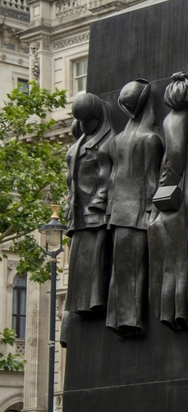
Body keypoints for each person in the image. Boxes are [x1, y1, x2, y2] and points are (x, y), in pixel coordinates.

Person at [106, 79, 163, 337]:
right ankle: (130, 319)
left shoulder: (116, 140)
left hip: (119, 215)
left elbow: (113, 181)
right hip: (139, 214)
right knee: (136, 270)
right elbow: (152, 180)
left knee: (122, 271)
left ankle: (118, 319)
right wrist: (153, 212)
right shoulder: (151, 139)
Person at [148, 72, 188, 330]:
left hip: (173, 192)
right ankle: (180, 310)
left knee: (174, 262)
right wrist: (171, 184)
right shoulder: (182, 118)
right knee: (183, 259)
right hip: (179, 195)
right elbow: (177, 155)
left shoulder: (171, 118)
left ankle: (174, 310)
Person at [64, 92, 113, 315]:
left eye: (87, 120)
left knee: (95, 263)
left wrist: (98, 203)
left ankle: (94, 301)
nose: (84, 126)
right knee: (79, 265)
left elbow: (107, 178)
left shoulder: (106, 143)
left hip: (95, 216)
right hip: (77, 217)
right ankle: (79, 304)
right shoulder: (74, 149)